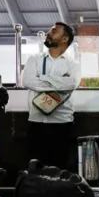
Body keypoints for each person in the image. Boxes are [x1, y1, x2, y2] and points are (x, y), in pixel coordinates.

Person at [22, 22, 81, 172]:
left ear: (64, 39)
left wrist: (41, 78)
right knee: (34, 170)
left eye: (54, 31)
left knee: (60, 170)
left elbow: (71, 84)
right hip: (36, 123)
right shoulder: (33, 59)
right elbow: (28, 81)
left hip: (62, 125)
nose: (49, 33)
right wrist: (59, 81)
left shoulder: (73, 64)